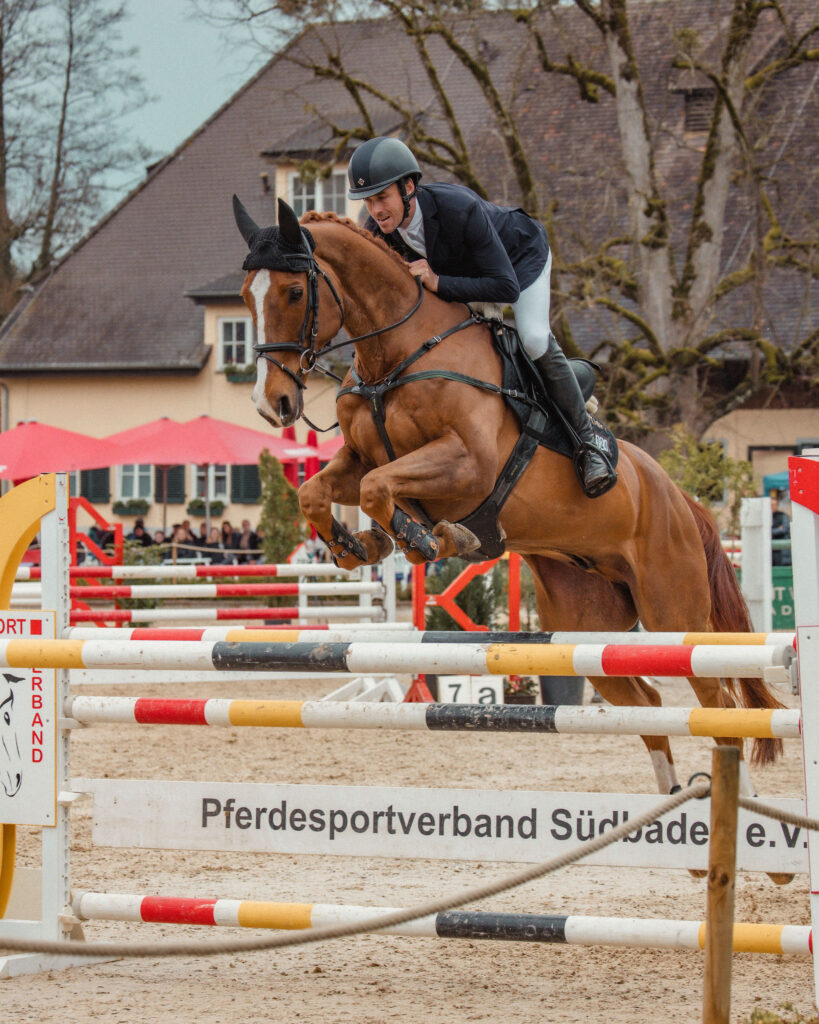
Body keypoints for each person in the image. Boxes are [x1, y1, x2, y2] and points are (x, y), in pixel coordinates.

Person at [347, 136, 617, 498]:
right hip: (470, 280)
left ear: (408, 187)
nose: (375, 210)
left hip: (519, 263)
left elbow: (504, 288)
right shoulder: (378, 233)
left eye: (382, 198)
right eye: (368, 201)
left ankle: (587, 443)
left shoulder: (458, 207)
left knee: (533, 337)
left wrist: (438, 281)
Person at [771, 494, 792, 566]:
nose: (772, 506)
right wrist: (777, 530)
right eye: (771, 504)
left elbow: (784, 529)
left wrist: (771, 531)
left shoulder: (782, 516)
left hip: (782, 552)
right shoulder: (765, 517)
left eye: (774, 504)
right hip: (771, 552)